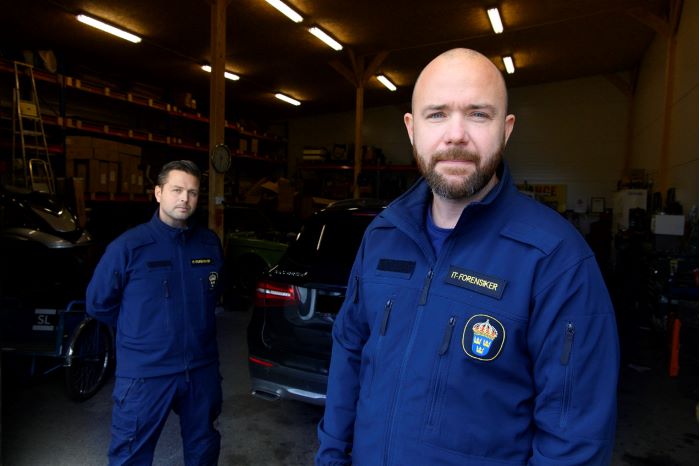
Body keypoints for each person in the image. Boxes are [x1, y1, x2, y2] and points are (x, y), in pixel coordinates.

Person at [316, 48, 619, 465]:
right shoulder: (383, 236)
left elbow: (575, 436)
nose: (456, 134)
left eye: (478, 114)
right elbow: (349, 354)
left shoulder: (556, 259)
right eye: (436, 114)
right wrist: (330, 456)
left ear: (506, 129)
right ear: (411, 128)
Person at [87, 160, 224, 466]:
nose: (184, 199)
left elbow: (214, 294)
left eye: (192, 192)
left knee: (203, 450)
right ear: (158, 193)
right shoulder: (129, 247)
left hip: (200, 369)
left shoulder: (208, 244)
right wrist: (141, 331)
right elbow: (98, 303)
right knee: (131, 455)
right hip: (146, 375)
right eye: (176, 190)